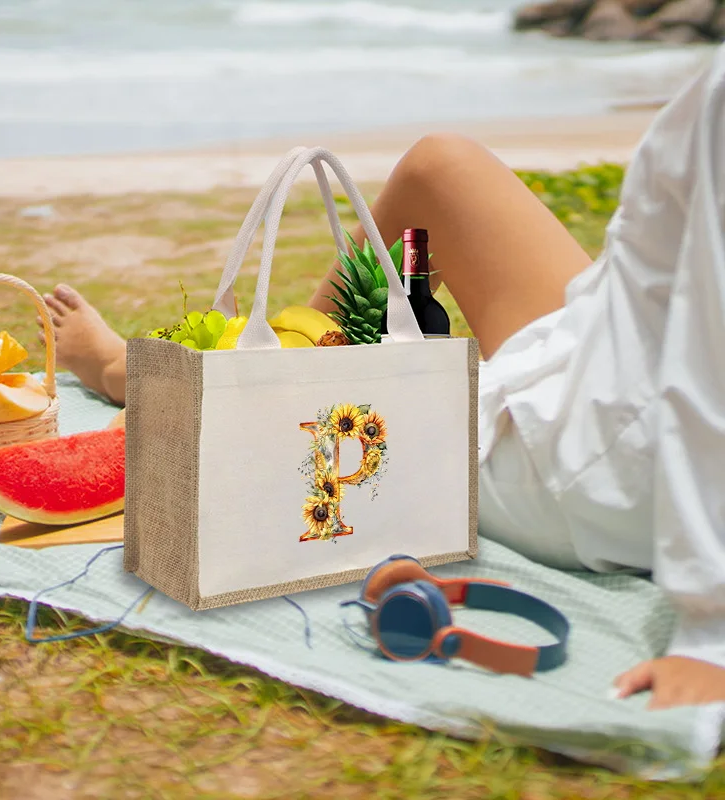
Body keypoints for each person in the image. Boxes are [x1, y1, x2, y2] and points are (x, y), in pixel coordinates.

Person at [41, 47, 725, 711]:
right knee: (440, 167)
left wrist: (710, 627)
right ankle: (238, 373)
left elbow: (708, 350)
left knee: (339, 388)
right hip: (617, 373)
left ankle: (174, 384)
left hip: (588, 464)